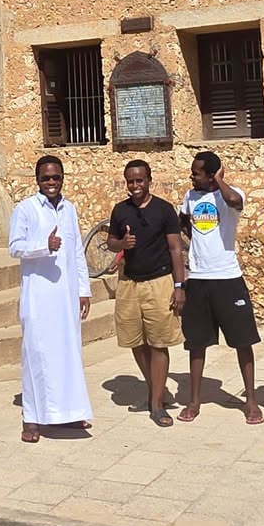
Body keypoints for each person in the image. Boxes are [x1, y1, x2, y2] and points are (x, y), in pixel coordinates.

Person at [8, 154, 93, 443]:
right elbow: (15, 247)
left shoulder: (69, 209)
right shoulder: (26, 209)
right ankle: (32, 419)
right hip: (39, 296)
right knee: (37, 354)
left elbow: (77, 251)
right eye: (46, 178)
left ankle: (68, 412)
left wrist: (83, 290)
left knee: (68, 353)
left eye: (56, 177)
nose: (52, 182)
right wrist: (43, 246)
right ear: (38, 180)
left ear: (62, 178)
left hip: (66, 295)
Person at [177, 151, 261, 424]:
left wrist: (220, 181)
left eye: (197, 173)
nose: (191, 176)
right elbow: (184, 223)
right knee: (196, 343)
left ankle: (251, 401)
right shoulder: (190, 197)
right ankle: (194, 401)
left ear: (212, 175)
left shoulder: (230, 194)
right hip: (198, 279)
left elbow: (235, 202)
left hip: (228, 278)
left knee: (242, 341)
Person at [107, 159, 186, 428]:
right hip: (129, 284)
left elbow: (175, 249)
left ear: (149, 180)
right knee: (135, 341)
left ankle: (156, 405)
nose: (135, 186)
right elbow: (111, 241)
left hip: (159, 282)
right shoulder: (121, 211)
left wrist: (179, 286)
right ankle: (157, 391)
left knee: (158, 343)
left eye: (139, 180)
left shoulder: (164, 210)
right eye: (130, 181)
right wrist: (122, 243)